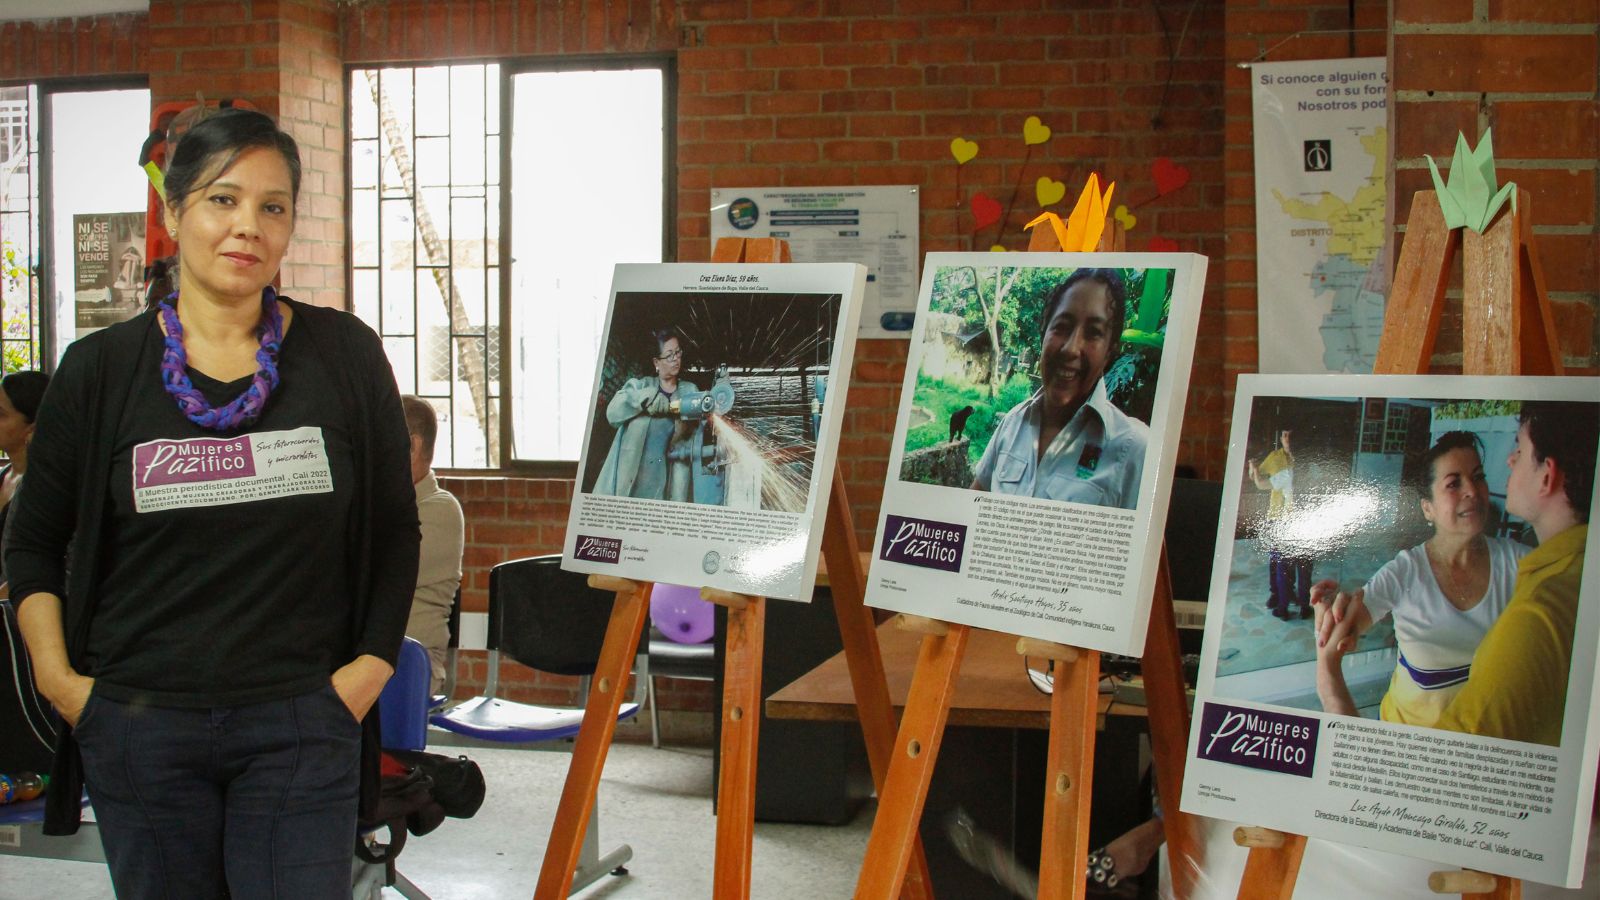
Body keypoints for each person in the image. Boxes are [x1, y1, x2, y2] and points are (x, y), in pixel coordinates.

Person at [6, 108, 419, 897]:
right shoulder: (97, 371)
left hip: (302, 720)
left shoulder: (345, 355)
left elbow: (396, 531)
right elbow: (32, 544)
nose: (247, 227)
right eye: (222, 200)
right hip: (139, 724)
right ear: (172, 214)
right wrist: (63, 684)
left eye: (273, 206)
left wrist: (366, 670)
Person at [1312, 431, 1531, 727]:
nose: (1472, 491)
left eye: (1478, 477)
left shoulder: (1518, 562)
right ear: (1427, 508)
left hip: (1480, 741)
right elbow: (1346, 627)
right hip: (1410, 739)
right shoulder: (1405, 572)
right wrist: (1331, 618)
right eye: (1454, 483)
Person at [1431, 402, 1596, 745]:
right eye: (1452, 483)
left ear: (1547, 477)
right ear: (1427, 508)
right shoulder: (1572, 571)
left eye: (1519, 450)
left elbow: (1447, 766)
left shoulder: (1538, 615)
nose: (1509, 460)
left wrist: (1330, 685)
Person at [970, 268, 1148, 510]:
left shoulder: (1134, 451)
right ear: (1043, 333)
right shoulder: (1012, 424)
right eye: (1062, 326)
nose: (1071, 349)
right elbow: (970, 512)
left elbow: (1151, 547)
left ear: (1110, 352)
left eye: (1093, 333)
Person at [0, 370, 57, 777]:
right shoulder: (6, 477)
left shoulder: (41, 489)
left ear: (31, 428)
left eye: (2, 415)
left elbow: (37, 562)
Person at [401, 395, 464, 695]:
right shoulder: (378, 505)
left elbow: (371, 568)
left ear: (412, 447)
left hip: (407, 666)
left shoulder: (440, 508)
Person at [593, 327, 699, 501]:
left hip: (666, 488)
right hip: (629, 484)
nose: (676, 359)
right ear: (656, 362)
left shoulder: (689, 390)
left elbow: (696, 423)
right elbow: (612, 414)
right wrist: (644, 398)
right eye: (669, 355)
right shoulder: (640, 387)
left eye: (678, 352)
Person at [1247, 428, 1314, 619]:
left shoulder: (1287, 474)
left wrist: (1253, 467)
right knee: (1304, 569)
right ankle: (1303, 607)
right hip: (1308, 528)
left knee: (1282, 569)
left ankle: (1283, 608)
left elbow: (1261, 483)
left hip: (1286, 526)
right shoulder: (1314, 473)